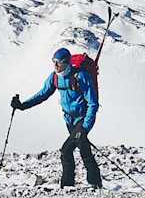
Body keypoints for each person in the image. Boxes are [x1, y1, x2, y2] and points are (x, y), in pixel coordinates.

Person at [11, 47, 102, 188]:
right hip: (69, 120)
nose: (55, 66)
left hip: (82, 119)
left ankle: (67, 185)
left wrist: (85, 127)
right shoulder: (55, 77)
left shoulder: (81, 76)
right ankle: (95, 183)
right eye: (54, 62)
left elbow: (93, 103)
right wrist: (22, 105)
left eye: (58, 63)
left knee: (66, 151)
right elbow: (42, 94)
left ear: (66, 63)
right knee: (83, 148)